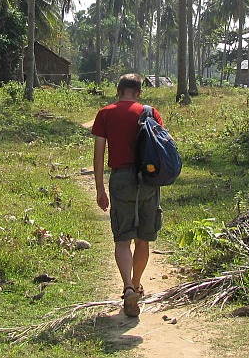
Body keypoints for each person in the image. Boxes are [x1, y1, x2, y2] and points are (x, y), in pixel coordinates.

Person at [91, 73, 164, 318]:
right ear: (138, 93)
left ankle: (128, 287)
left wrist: (100, 188)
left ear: (118, 90)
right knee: (143, 238)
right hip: (148, 180)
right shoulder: (150, 112)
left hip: (121, 178)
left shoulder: (105, 113)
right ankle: (137, 281)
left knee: (123, 239)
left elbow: (99, 155)